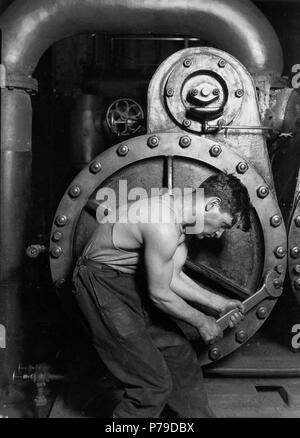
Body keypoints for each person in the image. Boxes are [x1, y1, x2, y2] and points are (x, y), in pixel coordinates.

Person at [72, 173, 251, 418]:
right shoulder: (162, 223)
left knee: (180, 357)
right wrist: (201, 321)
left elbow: (173, 276)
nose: (219, 234)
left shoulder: (183, 217)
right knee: (152, 385)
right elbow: (159, 294)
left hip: (128, 281)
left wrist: (219, 303)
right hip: (100, 284)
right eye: (223, 225)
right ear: (211, 205)